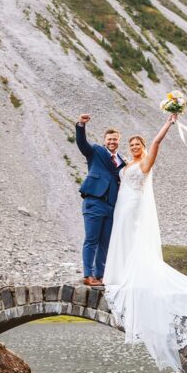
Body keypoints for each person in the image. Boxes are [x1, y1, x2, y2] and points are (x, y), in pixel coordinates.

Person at [103, 113, 187, 372]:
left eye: (138, 145)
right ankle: (120, 274)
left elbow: (156, 143)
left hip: (134, 204)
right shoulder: (124, 166)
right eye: (131, 145)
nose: (134, 148)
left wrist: (167, 124)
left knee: (133, 239)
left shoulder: (146, 161)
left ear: (144, 148)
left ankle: (133, 277)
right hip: (121, 206)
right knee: (121, 237)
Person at [75, 114, 125, 287]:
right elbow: (82, 144)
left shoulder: (122, 161)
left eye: (115, 139)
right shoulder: (96, 151)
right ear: (105, 141)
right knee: (91, 239)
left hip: (111, 206)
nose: (112, 142)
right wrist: (81, 125)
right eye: (110, 139)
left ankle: (100, 275)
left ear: (119, 141)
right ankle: (88, 275)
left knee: (105, 243)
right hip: (94, 202)